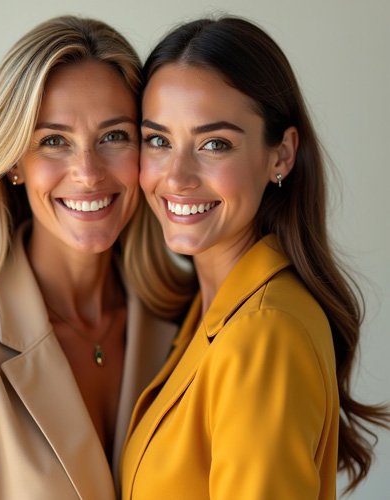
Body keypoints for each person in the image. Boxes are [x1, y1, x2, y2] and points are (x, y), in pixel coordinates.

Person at [0, 16, 183, 500]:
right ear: (12, 163)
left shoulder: (188, 320)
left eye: (114, 136)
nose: (88, 173)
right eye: (53, 141)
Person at [121, 16, 390, 499]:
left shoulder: (262, 334)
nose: (177, 177)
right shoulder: (211, 310)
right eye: (158, 140)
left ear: (281, 156)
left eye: (214, 144)